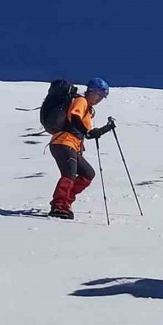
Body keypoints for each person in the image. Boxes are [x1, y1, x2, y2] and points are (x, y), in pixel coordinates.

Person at [47, 78, 115, 219]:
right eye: (99, 95)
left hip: (72, 145)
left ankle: (65, 200)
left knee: (88, 174)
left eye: (102, 97)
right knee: (69, 174)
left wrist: (106, 129)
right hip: (63, 142)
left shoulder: (89, 110)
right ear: (91, 91)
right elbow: (75, 118)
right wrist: (88, 132)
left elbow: (87, 133)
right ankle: (59, 206)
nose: (99, 99)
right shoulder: (81, 101)